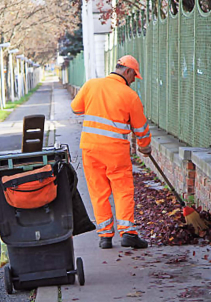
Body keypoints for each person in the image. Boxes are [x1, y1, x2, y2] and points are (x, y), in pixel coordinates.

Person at [71, 55, 152, 249]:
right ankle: (128, 233)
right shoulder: (129, 95)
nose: (134, 80)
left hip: (90, 149)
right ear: (127, 71)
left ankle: (105, 236)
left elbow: (76, 108)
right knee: (122, 190)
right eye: (134, 76)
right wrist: (144, 146)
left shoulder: (91, 85)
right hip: (115, 150)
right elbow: (140, 128)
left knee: (98, 191)